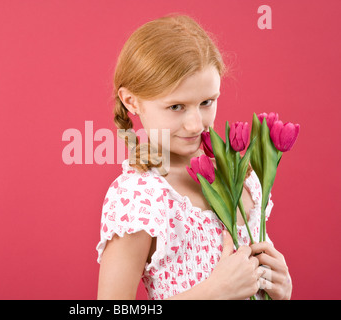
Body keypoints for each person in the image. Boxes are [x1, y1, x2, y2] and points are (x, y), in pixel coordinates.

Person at [96, 14, 292, 300]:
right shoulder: (140, 197)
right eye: (176, 106)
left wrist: (281, 289)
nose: (195, 124)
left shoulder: (240, 177)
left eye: (206, 102)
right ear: (131, 101)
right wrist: (214, 292)